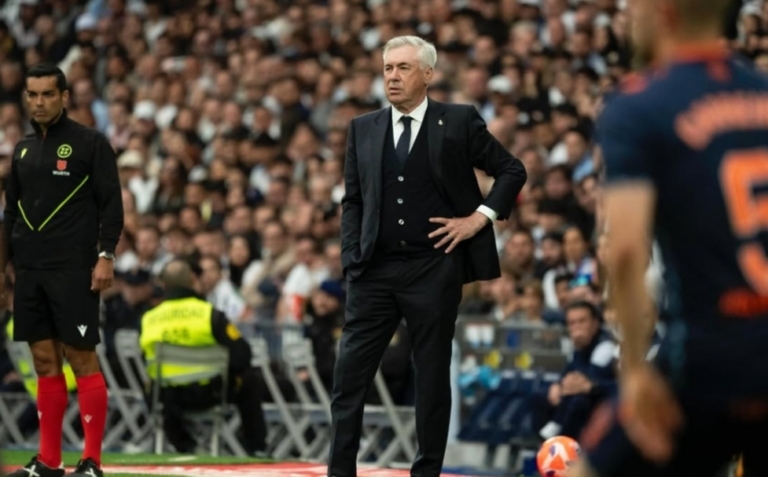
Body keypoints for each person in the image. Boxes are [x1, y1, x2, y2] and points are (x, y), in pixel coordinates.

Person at [571, 0, 768, 476]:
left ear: (664, 13)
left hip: (708, 358)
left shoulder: (640, 104)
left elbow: (624, 249)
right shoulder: (761, 92)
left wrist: (636, 368)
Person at [329, 35, 527, 477]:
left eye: (403, 68)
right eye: (387, 68)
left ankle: (427, 473)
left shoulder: (457, 120)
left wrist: (478, 219)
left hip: (433, 268)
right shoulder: (363, 127)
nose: (393, 77)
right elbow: (354, 200)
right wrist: (350, 256)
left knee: (433, 379)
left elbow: (512, 170)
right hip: (373, 270)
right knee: (348, 379)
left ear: (428, 74)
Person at [3, 64, 123, 477]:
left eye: (47, 94)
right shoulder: (22, 150)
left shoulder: (90, 143)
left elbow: (111, 203)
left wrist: (106, 255)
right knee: (43, 362)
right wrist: (2, 269)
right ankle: (49, 461)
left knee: (80, 357)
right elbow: (10, 215)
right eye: (32, 94)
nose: (39, 102)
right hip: (29, 270)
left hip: (73, 267)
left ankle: (91, 462)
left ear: (64, 96)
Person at [139, 259, 269, 456]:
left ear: (163, 285)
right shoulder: (210, 315)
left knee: (150, 384)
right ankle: (256, 447)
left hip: (168, 397)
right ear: (193, 280)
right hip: (212, 393)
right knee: (250, 378)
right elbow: (243, 355)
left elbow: (145, 359)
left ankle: (183, 444)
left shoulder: (148, 319)